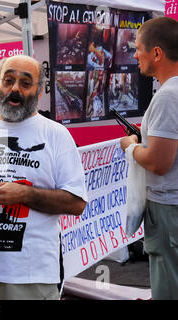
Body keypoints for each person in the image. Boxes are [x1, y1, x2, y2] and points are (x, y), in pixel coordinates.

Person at [0, 55, 88, 300]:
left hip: (29, 274)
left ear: (38, 91)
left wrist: (25, 194)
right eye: (8, 80)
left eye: (25, 83)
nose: (15, 88)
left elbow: (76, 203)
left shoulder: (56, 135)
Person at [120, 16, 178, 300]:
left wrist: (130, 147)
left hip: (169, 210)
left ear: (157, 53)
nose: (134, 54)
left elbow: (158, 162)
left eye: (138, 47)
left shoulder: (168, 95)